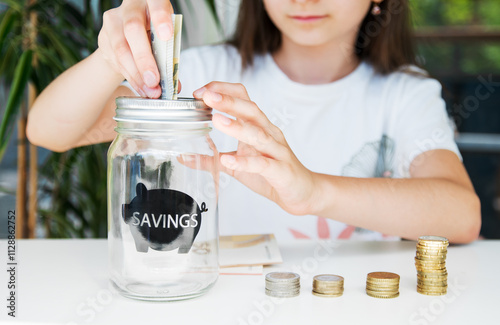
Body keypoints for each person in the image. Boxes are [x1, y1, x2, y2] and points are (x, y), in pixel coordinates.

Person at [27, 0, 481, 243]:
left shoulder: (405, 93)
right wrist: (112, 56)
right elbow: (47, 130)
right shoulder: (201, 73)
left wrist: (312, 191)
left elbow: (461, 216)